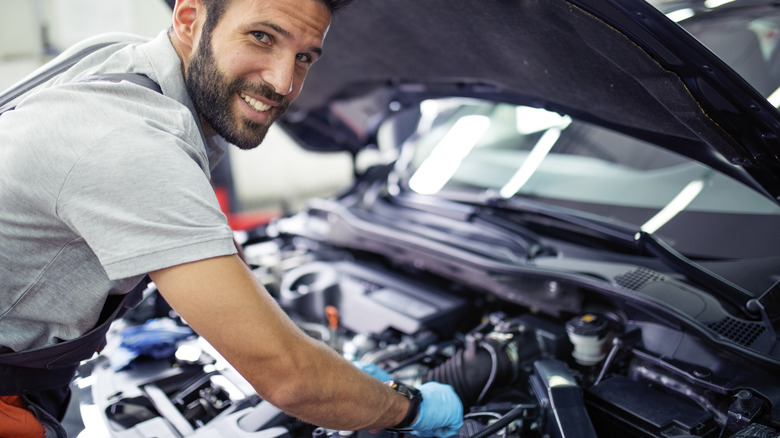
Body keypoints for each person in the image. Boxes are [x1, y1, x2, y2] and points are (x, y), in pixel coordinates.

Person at [0, 0, 464, 437]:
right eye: (262, 37)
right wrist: (409, 407)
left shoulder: (120, 60)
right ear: (187, 17)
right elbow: (291, 380)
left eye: (304, 57)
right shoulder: (129, 140)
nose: (283, 83)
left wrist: (320, 358)